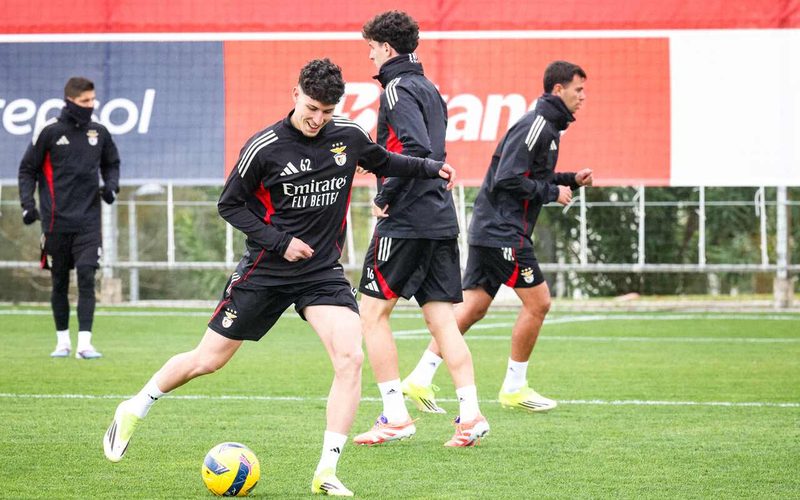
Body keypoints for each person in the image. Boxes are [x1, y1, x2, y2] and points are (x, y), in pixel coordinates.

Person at [102, 59, 455, 497]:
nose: (317, 118)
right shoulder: (264, 147)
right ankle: (135, 406)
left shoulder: (346, 137)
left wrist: (430, 167)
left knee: (351, 358)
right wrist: (279, 241)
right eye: (311, 107)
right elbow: (229, 205)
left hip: (321, 274)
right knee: (207, 360)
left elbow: (384, 160)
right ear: (295, 94)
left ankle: (326, 471)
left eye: (326, 111)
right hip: (265, 270)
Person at [404, 60, 593, 413]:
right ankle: (514, 387)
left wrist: (569, 180)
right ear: (558, 90)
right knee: (539, 303)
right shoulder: (537, 125)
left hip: (491, 229)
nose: (583, 97)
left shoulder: (547, 126)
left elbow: (530, 175)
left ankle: (420, 377)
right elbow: (508, 178)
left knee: (472, 308)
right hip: (504, 233)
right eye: (578, 89)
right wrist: (553, 193)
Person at [351, 10, 489, 448]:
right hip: (439, 218)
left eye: (372, 48)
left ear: (387, 48)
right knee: (441, 320)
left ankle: (395, 415)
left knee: (371, 314)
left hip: (407, 220)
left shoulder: (396, 88)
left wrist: (384, 196)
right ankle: (471, 416)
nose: (370, 56)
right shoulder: (429, 87)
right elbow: (431, 153)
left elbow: (414, 150)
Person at [18, 76, 120, 360]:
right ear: (70, 101)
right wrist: (28, 205)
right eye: (85, 101)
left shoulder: (99, 132)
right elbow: (27, 169)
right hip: (55, 223)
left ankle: (85, 344)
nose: (91, 105)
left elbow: (112, 163)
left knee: (87, 275)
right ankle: (62, 342)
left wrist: (111, 187)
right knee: (60, 282)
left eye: (93, 100)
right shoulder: (49, 132)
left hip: (89, 222)